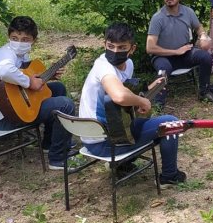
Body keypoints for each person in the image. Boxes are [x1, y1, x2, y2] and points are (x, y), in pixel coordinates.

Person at [80, 22, 186, 186]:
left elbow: (125, 91)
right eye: (110, 46)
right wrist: (142, 101)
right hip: (104, 141)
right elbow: (120, 97)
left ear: (132, 49)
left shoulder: (128, 65)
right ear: (104, 45)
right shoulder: (104, 67)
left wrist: (150, 89)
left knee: (153, 124)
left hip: (115, 130)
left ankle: (123, 163)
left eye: (122, 47)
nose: (115, 51)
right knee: (170, 123)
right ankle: (169, 176)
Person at [0, 16, 75, 171]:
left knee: (57, 89)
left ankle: (49, 144)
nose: (19, 43)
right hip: (3, 118)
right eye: (14, 38)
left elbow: (23, 77)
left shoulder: (21, 55)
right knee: (65, 104)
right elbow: (4, 71)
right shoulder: (4, 55)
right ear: (8, 37)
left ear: (33, 40)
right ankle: (58, 159)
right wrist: (30, 82)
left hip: (11, 106)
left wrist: (47, 76)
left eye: (25, 39)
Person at [146, 0, 213, 104]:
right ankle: (158, 104)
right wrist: (175, 51)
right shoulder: (157, 18)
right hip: (163, 57)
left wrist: (203, 36)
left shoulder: (188, 12)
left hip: (185, 53)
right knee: (163, 69)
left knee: (205, 57)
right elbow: (150, 48)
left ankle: (204, 92)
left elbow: (199, 27)